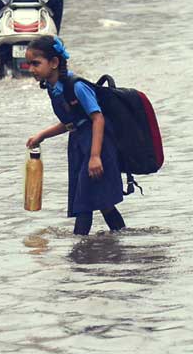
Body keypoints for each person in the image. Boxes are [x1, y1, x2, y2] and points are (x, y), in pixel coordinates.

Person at [25, 36, 126, 236]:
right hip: (79, 146)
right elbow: (73, 122)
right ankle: (122, 238)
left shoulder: (77, 86)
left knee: (84, 203)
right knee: (102, 203)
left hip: (97, 146)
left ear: (54, 63)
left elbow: (97, 119)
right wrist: (43, 135)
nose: (31, 69)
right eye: (29, 64)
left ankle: (79, 254)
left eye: (36, 63)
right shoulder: (54, 89)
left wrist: (95, 156)